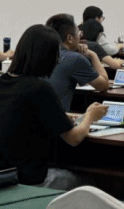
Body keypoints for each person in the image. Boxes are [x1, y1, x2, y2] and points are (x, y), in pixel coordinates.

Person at [0, 24, 109, 189]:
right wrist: (90, 116)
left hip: (4, 177)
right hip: (30, 180)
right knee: (91, 183)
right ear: (47, 57)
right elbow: (73, 138)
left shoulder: (3, 82)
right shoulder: (40, 89)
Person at [46, 14, 109, 111]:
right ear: (70, 38)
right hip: (57, 117)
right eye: (79, 33)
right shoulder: (75, 59)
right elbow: (104, 85)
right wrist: (93, 55)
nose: (80, 37)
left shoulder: (41, 54)